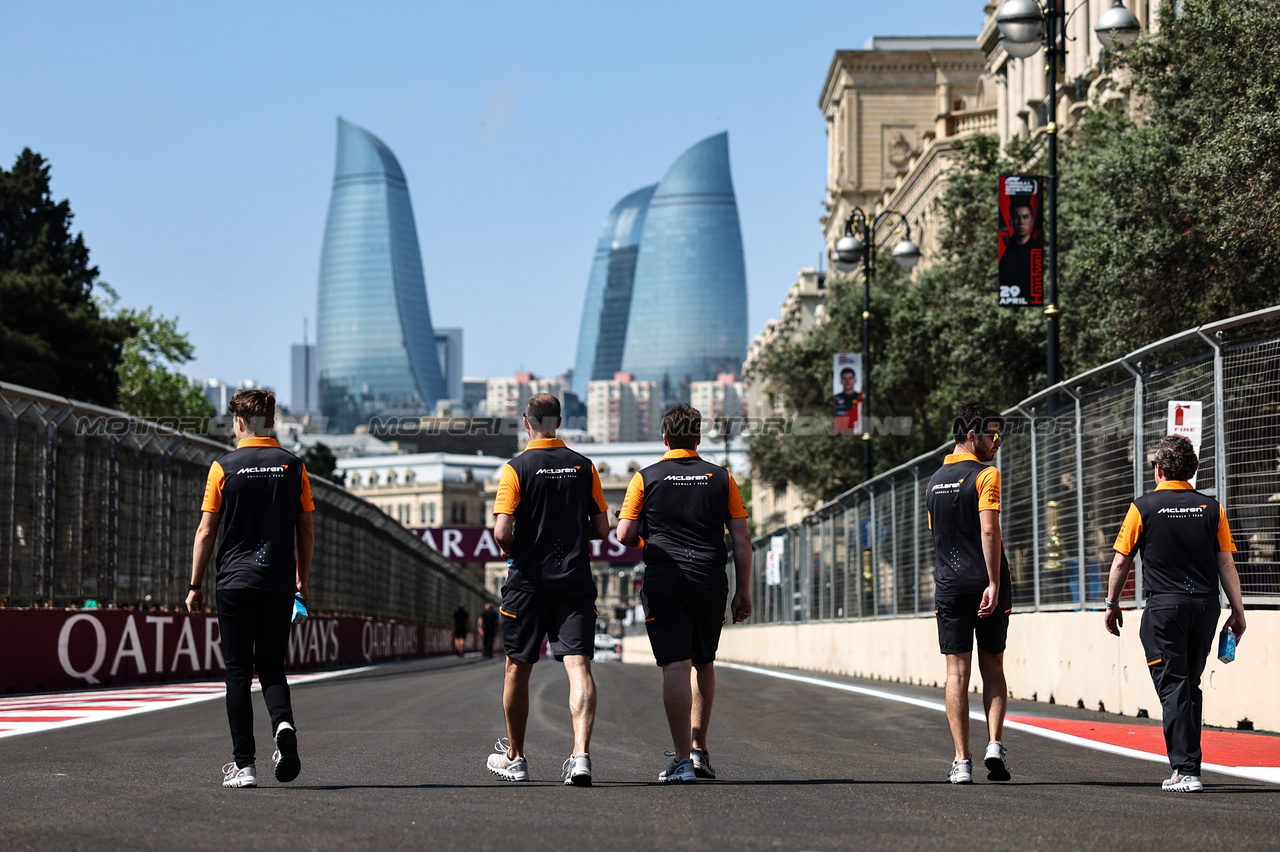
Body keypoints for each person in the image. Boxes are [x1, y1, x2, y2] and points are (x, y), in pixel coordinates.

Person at [617, 404, 752, 784]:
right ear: (697, 437)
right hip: (710, 578)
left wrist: (649, 532)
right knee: (703, 662)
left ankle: (679, 761)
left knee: (675, 665)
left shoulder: (645, 478)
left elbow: (624, 536)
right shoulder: (722, 478)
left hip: (666, 580)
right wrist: (743, 591)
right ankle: (699, 752)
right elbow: (741, 537)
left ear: (665, 438)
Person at [1104, 435, 1247, 793]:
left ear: (1158, 470)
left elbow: (1122, 560)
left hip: (1164, 606)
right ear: (1194, 470)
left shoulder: (1143, 507)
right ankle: (1188, 764)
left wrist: (1111, 603)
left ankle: (1186, 770)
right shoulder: (1212, 508)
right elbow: (1226, 562)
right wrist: (1238, 612)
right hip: (1204, 605)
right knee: (1188, 684)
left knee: (1173, 686)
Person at [187, 389, 314, 789]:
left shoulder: (222, 467)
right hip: (277, 582)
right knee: (273, 667)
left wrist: (195, 585)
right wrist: (301, 578)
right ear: (273, 422)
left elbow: (207, 530)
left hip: (234, 582)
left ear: (238, 423)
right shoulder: (294, 467)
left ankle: (244, 766)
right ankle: (284, 727)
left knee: (238, 672)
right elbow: (306, 528)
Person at [486, 393, 609, 786]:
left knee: (517, 669)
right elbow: (603, 529)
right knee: (578, 667)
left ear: (527, 422)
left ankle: (517, 759)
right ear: (559, 421)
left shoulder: (515, 469)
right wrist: (573, 533)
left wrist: (519, 549)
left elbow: (502, 531)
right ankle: (580, 756)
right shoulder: (584, 466)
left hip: (528, 582)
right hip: (574, 581)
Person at [926, 402, 1012, 785]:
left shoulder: (932, 481)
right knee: (992, 665)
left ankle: (962, 761)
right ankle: (994, 743)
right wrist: (993, 582)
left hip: (948, 584)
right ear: (972, 435)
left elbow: (938, 537)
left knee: (955, 671)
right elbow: (989, 531)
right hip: (984, 582)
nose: (998, 441)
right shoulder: (986, 475)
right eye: (993, 434)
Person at [997, 198, 1042, 299]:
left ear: (1032, 221)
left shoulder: (1038, 249)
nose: (1021, 222)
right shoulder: (1005, 255)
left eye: (1025, 217)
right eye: (1017, 218)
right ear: (1011, 222)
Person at [833, 366, 862, 435]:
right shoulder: (836, 398)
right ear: (841, 381)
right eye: (844, 378)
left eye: (850, 378)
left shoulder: (860, 397)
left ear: (855, 380)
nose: (847, 381)